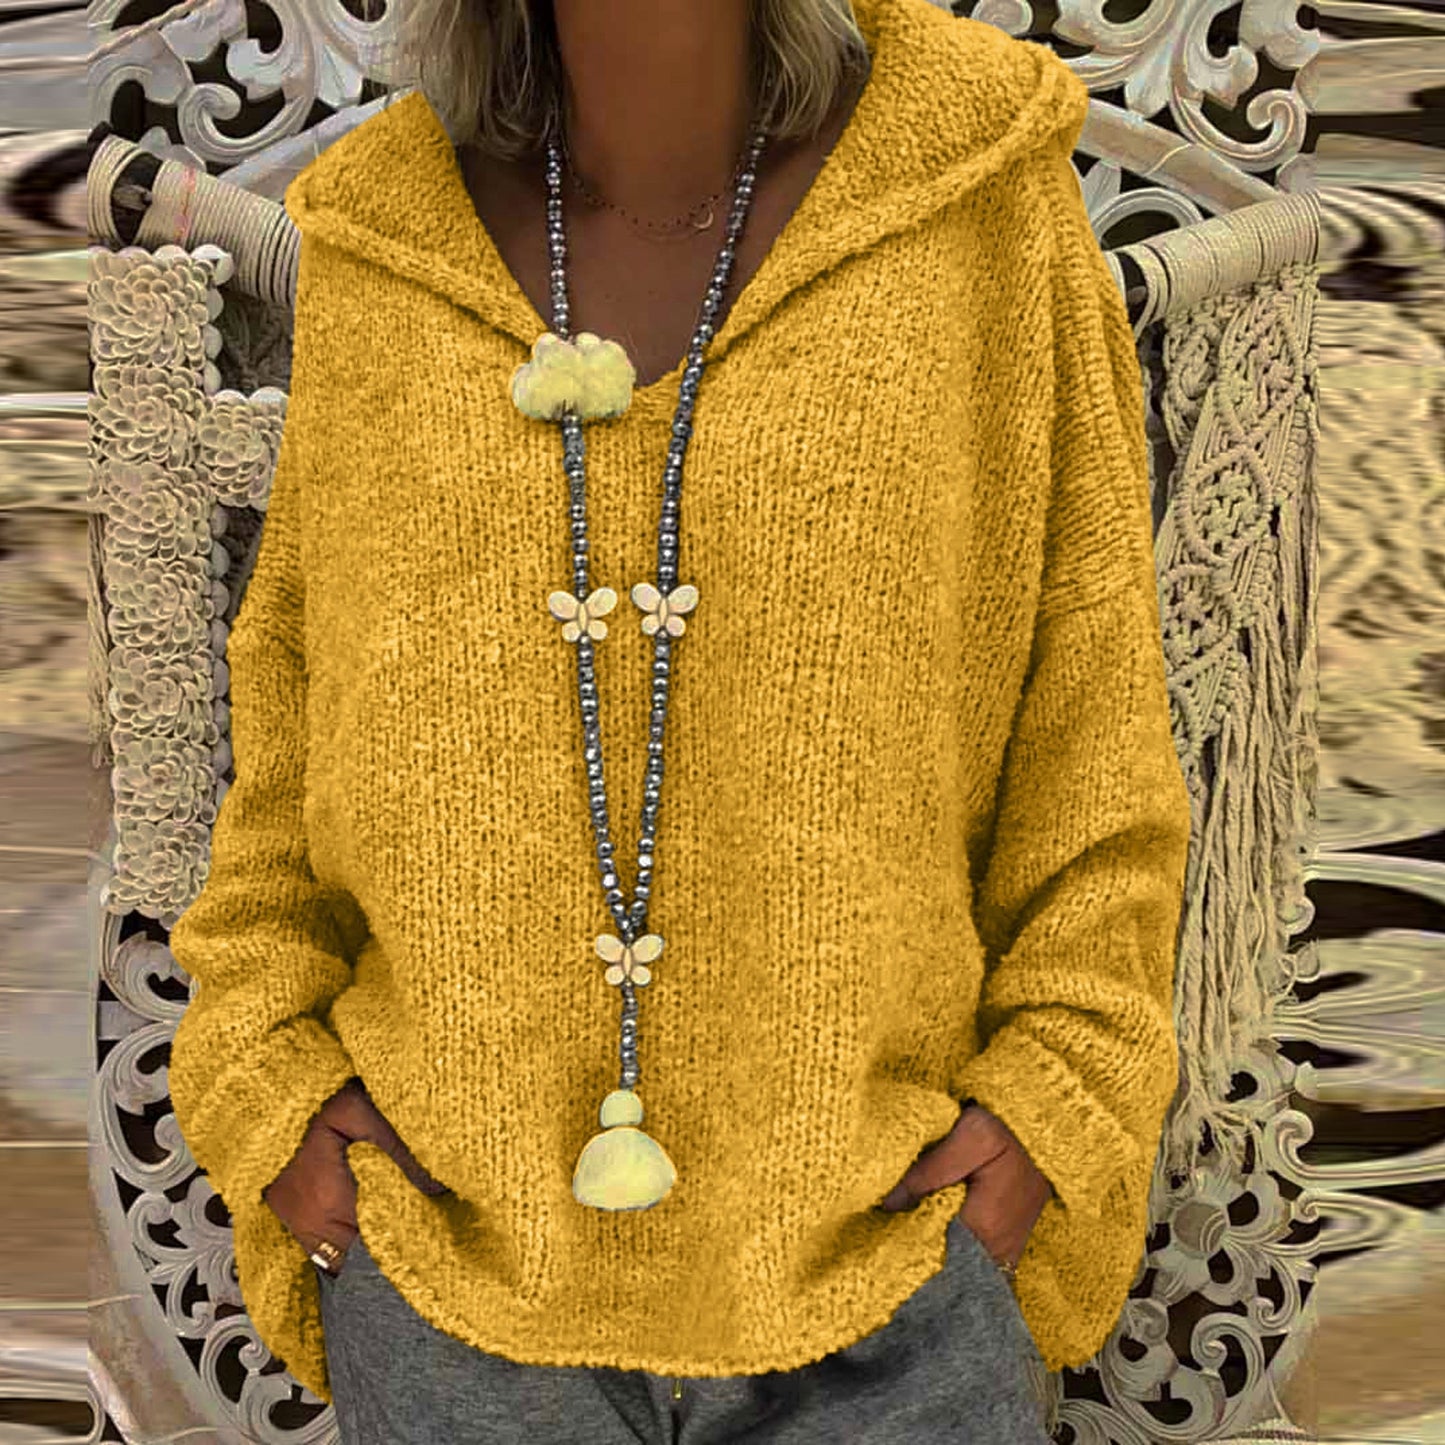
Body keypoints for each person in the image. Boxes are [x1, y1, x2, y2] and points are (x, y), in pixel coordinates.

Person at [164, 0, 1194, 1439]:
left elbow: (1092, 710)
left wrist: (1056, 1097)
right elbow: (292, 724)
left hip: (900, 1268)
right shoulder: (382, 242)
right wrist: (268, 1079)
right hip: (444, 1270)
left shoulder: (974, 194)